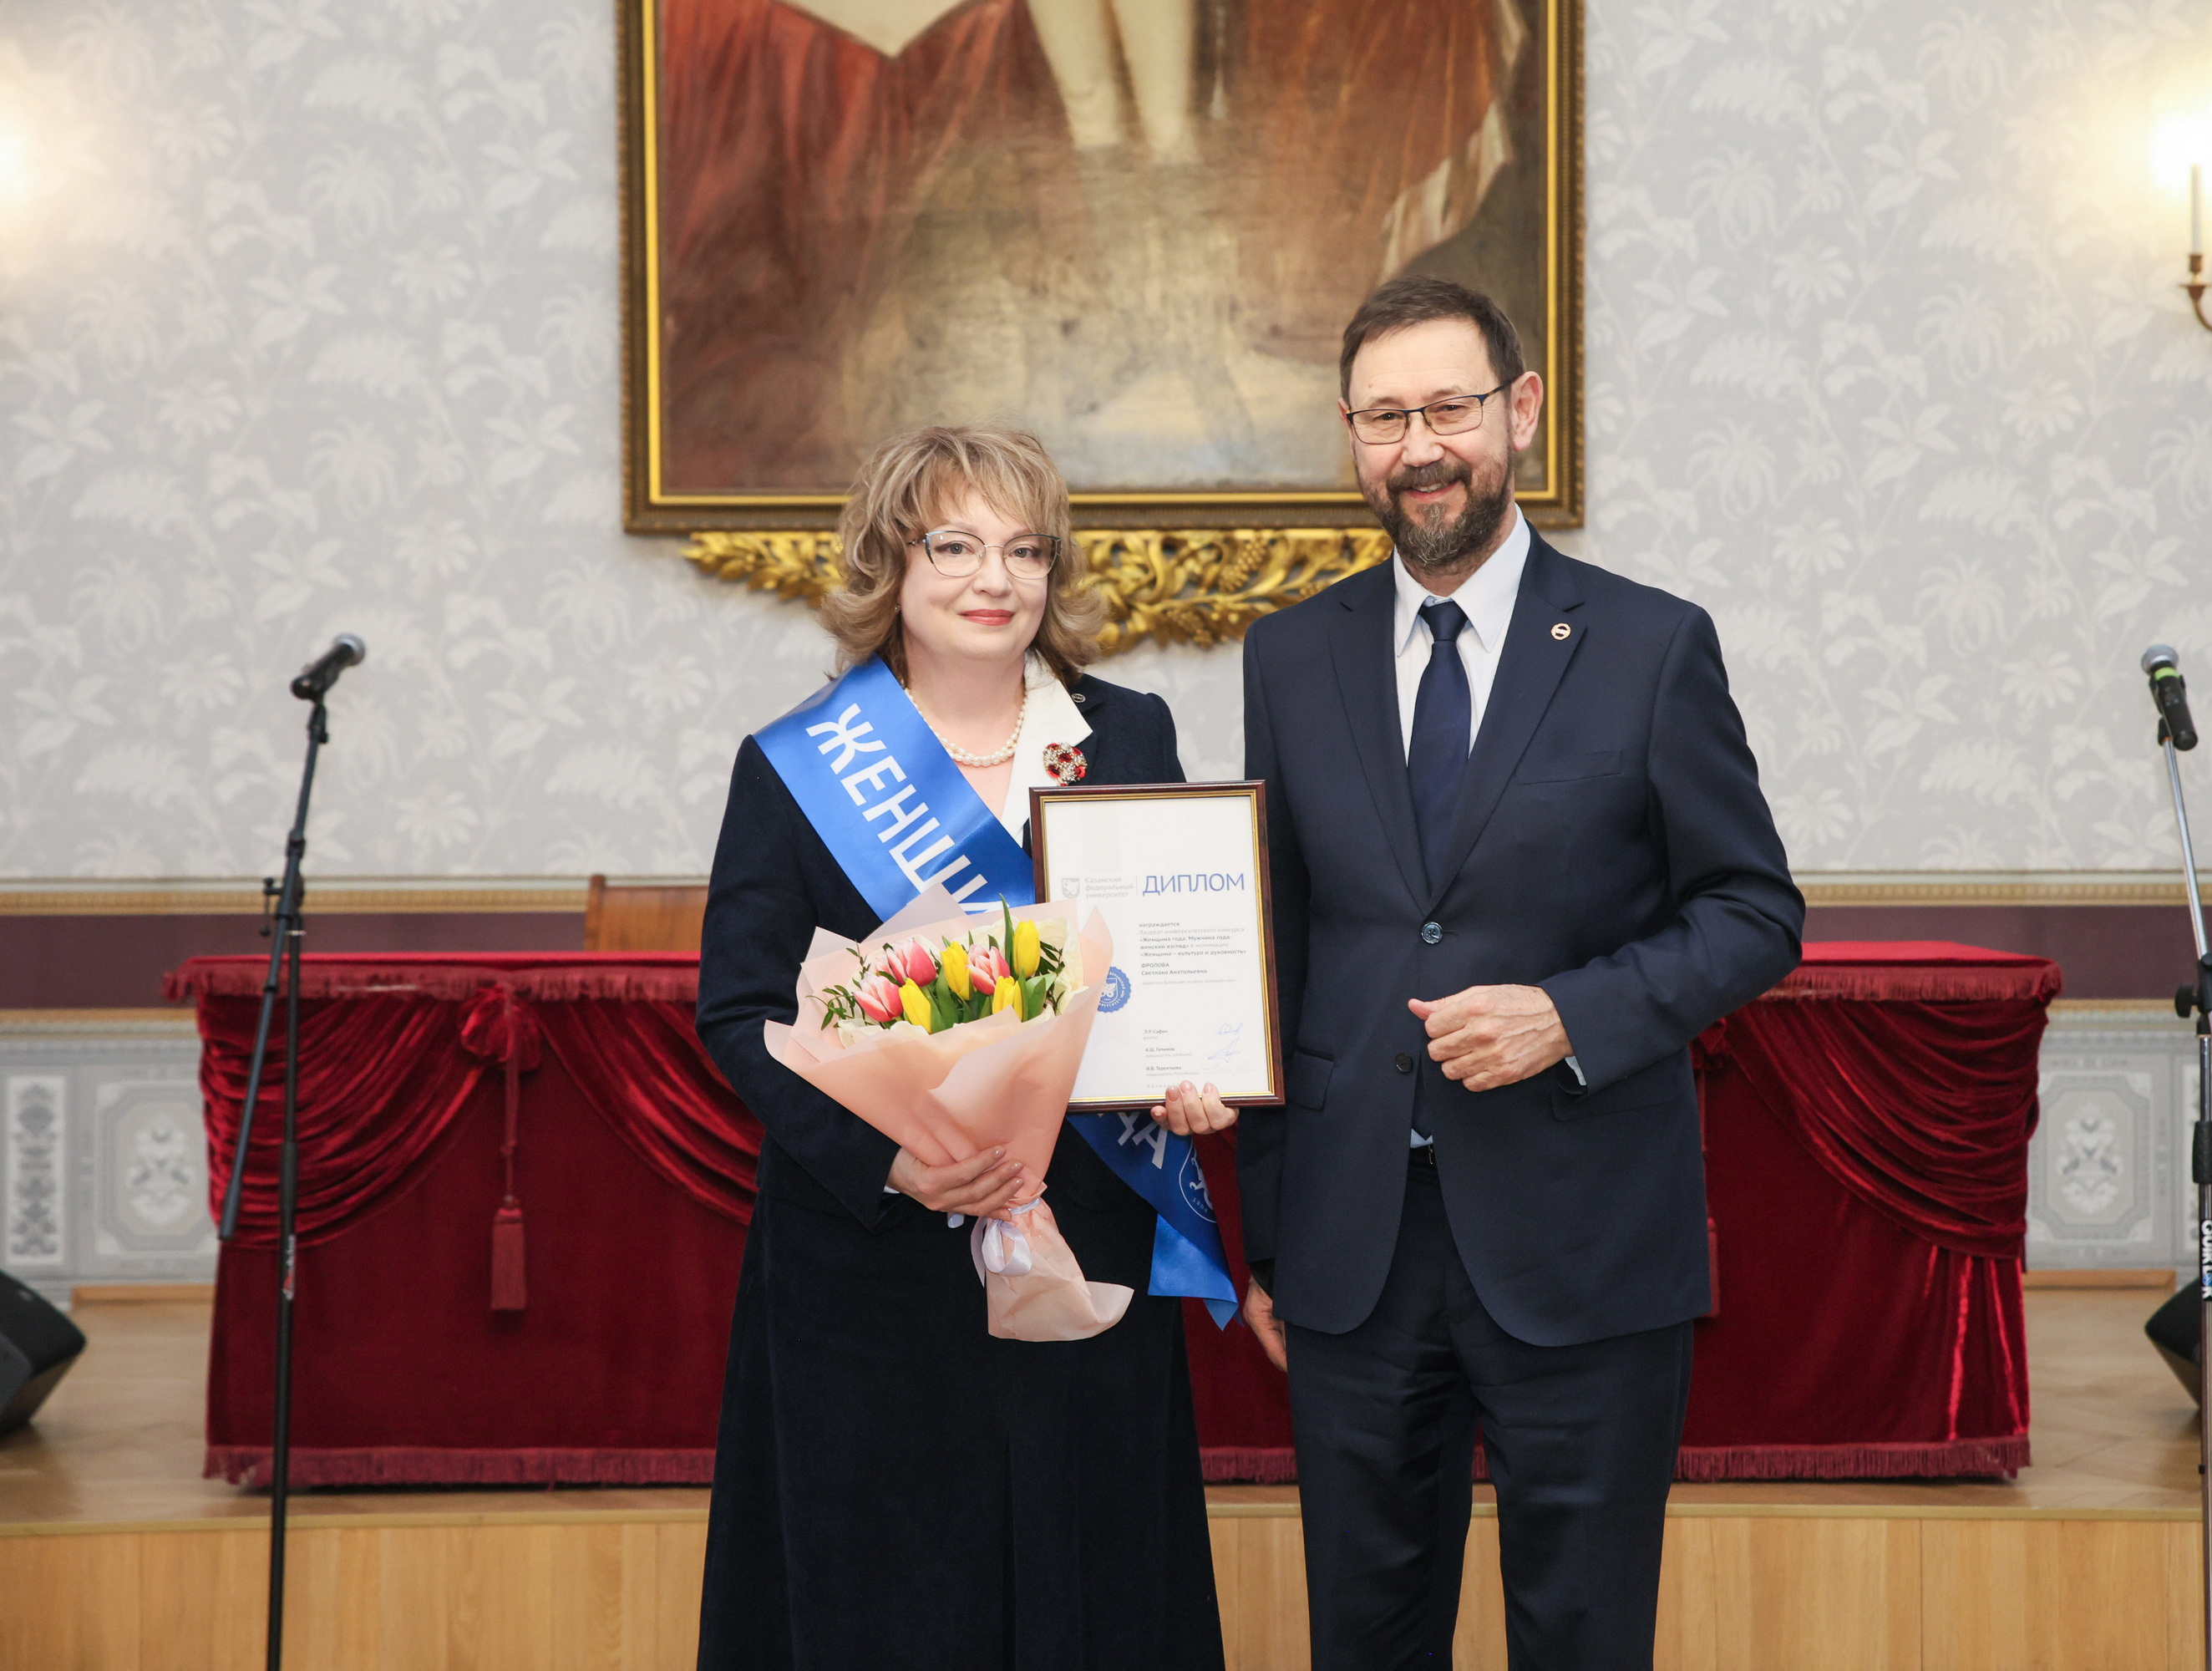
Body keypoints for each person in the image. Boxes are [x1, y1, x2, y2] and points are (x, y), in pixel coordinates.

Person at [1232, 278, 1804, 1669]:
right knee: (1363, 1640)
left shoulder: (1651, 646)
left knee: (1583, 1635)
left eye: (1449, 408)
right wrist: (1270, 1239)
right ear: (1351, 435)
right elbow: (1278, 947)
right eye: (1385, 417)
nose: (1419, 447)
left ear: (1521, 412)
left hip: (1582, 1238)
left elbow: (1754, 911)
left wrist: (1570, 1013)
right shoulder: (1290, 654)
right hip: (1355, 1253)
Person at [693, 424, 1232, 1669]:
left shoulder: (1128, 736)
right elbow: (740, 1012)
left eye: (1025, 550)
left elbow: (1170, 959)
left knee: (1092, 1589)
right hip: (873, 1274)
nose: (996, 579)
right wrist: (894, 1164)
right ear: (891, 560)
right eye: (955, 546)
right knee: (890, 1606)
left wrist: (1196, 1069)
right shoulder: (797, 766)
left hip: (1088, 1235)